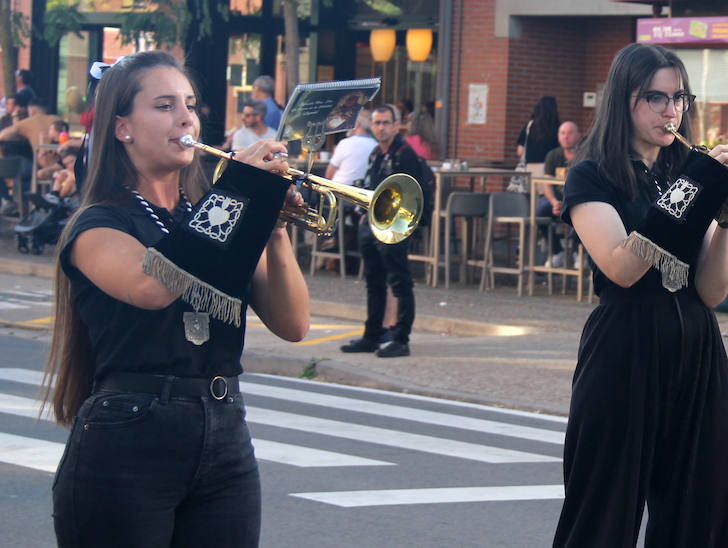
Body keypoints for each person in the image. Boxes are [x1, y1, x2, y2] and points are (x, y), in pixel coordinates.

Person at [39, 50, 309, 547]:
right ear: (122, 128)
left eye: (189, 104)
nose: (186, 118)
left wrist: (272, 231)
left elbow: (293, 325)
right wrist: (238, 192)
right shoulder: (98, 223)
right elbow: (152, 286)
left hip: (224, 430)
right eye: (164, 106)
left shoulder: (212, 215)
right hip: (128, 439)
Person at [553, 42, 728, 546]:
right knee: (604, 513)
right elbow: (621, 267)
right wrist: (693, 186)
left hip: (696, 352)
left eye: (680, 97)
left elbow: (711, 291)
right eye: (656, 98)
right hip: (626, 351)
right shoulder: (591, 174)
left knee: (700, 510)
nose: (671, 110)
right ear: (625, 101)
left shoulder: (682, 170)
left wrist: (726, 222)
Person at [338, 104, 434, 358]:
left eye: (385, 123)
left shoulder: (405, 154)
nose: (381, 128)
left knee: (400, 281)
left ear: (395, 125)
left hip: (395, 227)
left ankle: (401, 339)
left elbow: (412, 193)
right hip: (372, 224)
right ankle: (372, 336)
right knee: (374, 282)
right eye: (377, 123)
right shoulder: (375, 155)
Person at [537, 120, 581, 266]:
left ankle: (578, 251)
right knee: (539, 212)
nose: (565, 137)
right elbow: (547, 184)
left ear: (578, 136)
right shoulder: (553, 155)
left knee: (585, 214)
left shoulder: (585, 155)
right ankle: (557, 251)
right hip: (555, 199)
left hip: (577, 199)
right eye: (562, 133)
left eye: (569, 133)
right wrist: (554, 202)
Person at [325, 107, 375, 187]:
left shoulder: (345, 143)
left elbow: (329, 174)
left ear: (357, 124)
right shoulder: (376, 145)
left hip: (339, 190)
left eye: (351, 123)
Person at [516, 96, 559, 175]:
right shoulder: (558, 128)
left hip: (529, 169)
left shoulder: (529, 126)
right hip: (551, 170)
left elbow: (520, 151)